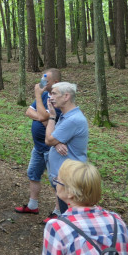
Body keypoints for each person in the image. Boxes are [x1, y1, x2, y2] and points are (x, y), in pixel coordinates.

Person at [42, 160, 128, 255]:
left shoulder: (57, 228)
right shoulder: (117, 221)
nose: (56, 185)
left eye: (57, 181)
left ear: (70, 192)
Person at [15, 69, 63, 222]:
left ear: (55, 83)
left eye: (45, 81)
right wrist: (42, 117)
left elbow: (46, 118)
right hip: (38, 146)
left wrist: (43, 115)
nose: (42, 84)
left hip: (52, 147)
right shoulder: (44, 95)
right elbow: (29, 111)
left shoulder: (59, 99)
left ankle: (58, 212)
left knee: (56, 181)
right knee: (33, 173)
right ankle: (32, 205)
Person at [45, 82, 89, 215]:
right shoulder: (66, 116)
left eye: (54, 94)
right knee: (66, 213)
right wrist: (57, 142)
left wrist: (52, 117)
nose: (50, 97)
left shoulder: (73, 119)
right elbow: (54, 139)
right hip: (63, 178)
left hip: (70, 179)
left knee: (71, 216)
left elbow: (48, 140)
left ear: (66, 96)